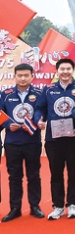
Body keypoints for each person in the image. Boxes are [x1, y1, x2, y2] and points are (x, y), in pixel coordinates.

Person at [41, 59, 75, 220]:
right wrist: (40, 119)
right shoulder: (48, 90)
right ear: (57, 71)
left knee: (74, 173)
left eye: (68, 69)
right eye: (62, 69)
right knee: (56, 174)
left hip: (74, 138)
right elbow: (41, 109)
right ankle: (58, 206)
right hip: (54, 139)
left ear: (73, 70)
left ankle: (72, 204)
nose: (65, 72)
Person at [1, 63, 45, 222]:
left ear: (32, 76)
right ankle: (15, 208)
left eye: (26, 75)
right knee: (14, 177)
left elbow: (41, 111)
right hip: (12, 142)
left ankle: (35, 206)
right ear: (15, 76)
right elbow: (1, 114)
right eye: (20, 75)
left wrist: (35, 123)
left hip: (32, 141)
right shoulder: (5, 94)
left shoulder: (39, 94)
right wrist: (7, 125)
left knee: (34, 175)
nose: (23, 78)